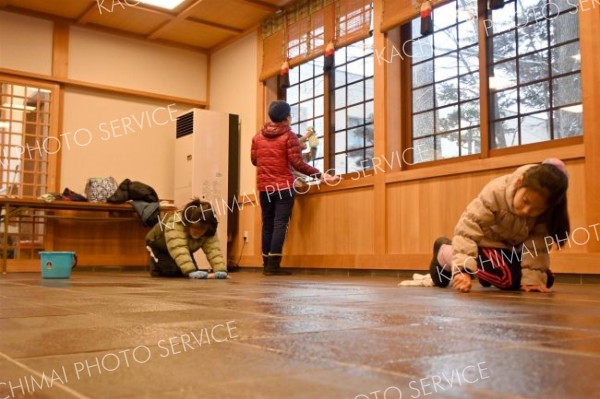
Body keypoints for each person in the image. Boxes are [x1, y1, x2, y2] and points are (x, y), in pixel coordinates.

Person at [429, 158, 569, 293]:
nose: (527, 211)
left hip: (508, 249)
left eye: (536, 209)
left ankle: (490, 270)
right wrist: (463, 270)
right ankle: (445, 253)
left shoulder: (547, 213)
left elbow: (536, 247)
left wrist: (532, 281)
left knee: (546, 279)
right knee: (507, 278)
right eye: (525, 201)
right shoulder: (495, 192)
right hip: (484, 243)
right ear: (519, 183)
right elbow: (467, 230)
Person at [251, 100, 338, 276]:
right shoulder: (288, 136)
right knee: (279, 224)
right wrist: (321, 175)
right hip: (283, 186)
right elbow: (298, 164)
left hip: (264, 188)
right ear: (286, 118)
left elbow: (254, 161)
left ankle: (266, 264)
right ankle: (273, 267)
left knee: (267, 224)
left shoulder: (257, 137)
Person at [145, 198, 228, 279]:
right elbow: (178, 248)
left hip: (184, 247)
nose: (197, 232)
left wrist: (220, 270)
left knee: (189, 270)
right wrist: (190, 271)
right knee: (172, 271)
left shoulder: (209, 230)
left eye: (201, 229)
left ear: (207, 227)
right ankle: (155, 265)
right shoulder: (176, 223)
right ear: (188, 223)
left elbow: (213, 250)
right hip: (158, 245)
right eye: (195, 227)